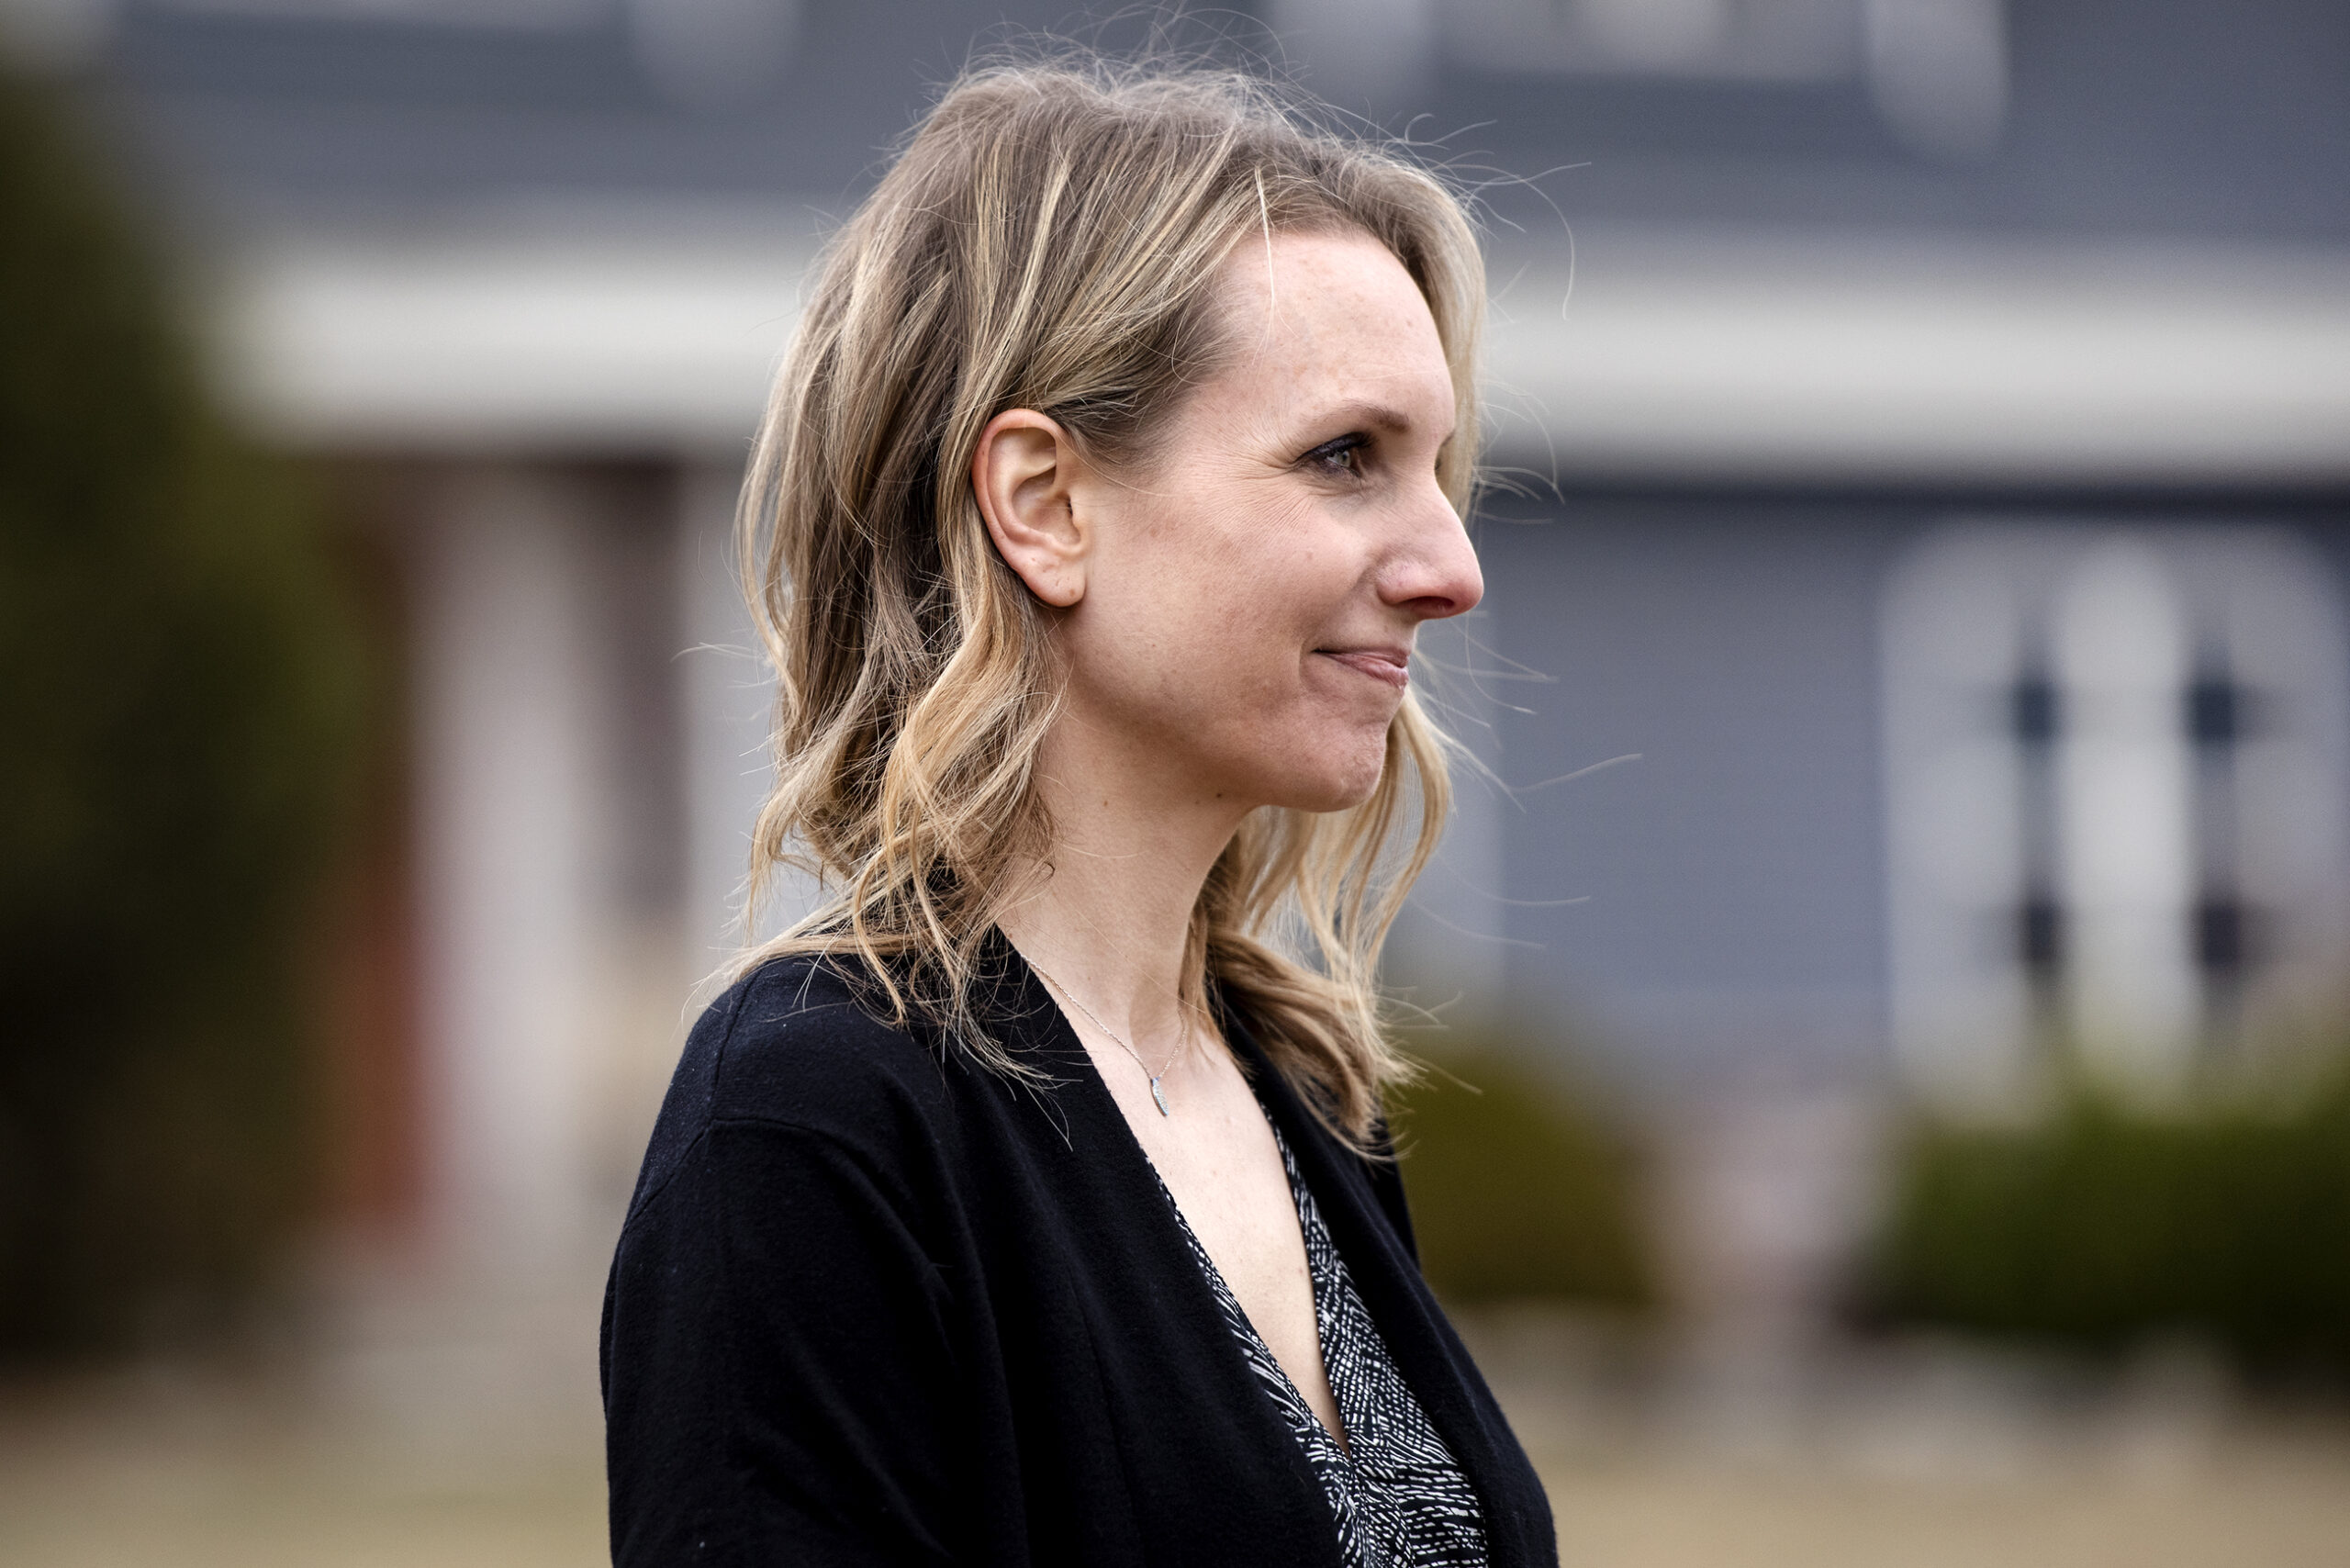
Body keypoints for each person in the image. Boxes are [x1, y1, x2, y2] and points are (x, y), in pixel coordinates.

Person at [601, 53, 1555, 1568]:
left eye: (1437, 470)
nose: (1452, 565)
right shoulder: (815, 1121)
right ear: (1044, 503)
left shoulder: (1304, 1095)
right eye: (1345, 459)